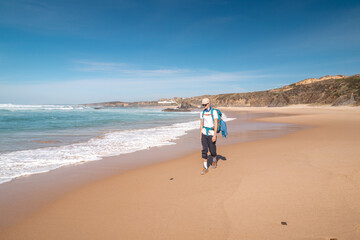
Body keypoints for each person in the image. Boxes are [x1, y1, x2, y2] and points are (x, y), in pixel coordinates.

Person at [200, 98, 218, 175]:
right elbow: (201, 124)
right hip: (204, 133)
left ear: (208, 103)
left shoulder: (214, 112)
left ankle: (214, 160)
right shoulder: (202, 113)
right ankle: (205, 167)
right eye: (203, 105)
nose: (204, 106)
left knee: (212, 150)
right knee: (204, 150)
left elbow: (216, 123)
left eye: (205, 104)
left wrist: (214, 135)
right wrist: (200, 135)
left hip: (211, 133)